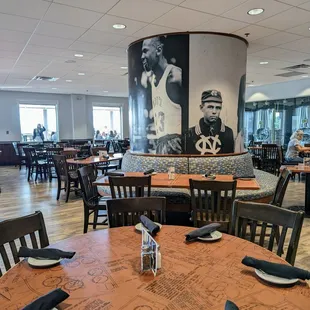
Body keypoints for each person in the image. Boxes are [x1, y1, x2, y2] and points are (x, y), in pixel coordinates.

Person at [141, 36, 183, 154]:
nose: (142, 57)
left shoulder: (175, 75)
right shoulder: (153, 80)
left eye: (145, 51)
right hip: (161, 142)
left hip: (175, 142)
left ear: (158, 50)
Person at [185, 90, 234, 154]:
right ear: (201, 108)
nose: (214, 111)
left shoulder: (228, 132)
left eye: (218, 108)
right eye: (210, 107)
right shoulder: (191, 133)